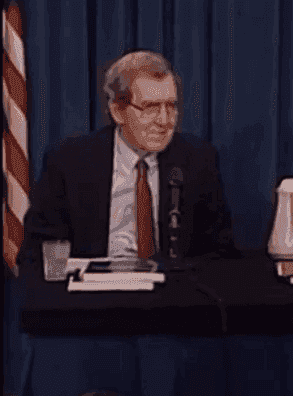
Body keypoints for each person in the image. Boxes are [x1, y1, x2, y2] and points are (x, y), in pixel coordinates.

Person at [17, 50, 234, 395]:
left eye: (172, 106)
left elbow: (219, 249)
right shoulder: (70, 160)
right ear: (118, 110)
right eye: (150, 107)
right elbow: (38, 249)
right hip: (90, 306)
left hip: (167, 306)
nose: (165, 121)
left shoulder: (197, 160)